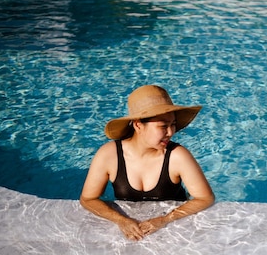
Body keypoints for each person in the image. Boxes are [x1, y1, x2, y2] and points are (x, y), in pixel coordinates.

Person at [80, 85, 214, 241]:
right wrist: (121, 220)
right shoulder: (109, 155)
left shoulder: (177, 156)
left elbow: (205, 198)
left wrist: (165, 219)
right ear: (138, 125)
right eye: (163, 126)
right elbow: (88, 199)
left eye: (173, 124)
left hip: (173, 231)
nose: (171, 132)